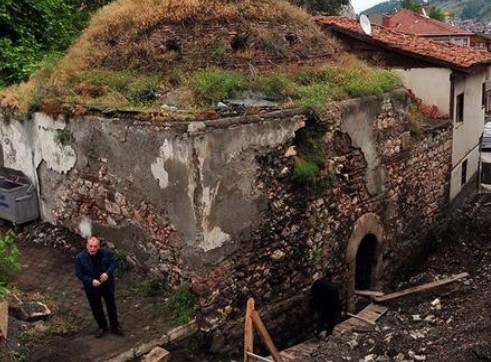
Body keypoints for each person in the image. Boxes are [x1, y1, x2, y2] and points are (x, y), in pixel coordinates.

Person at [75, 236, 123, 338]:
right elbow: (79, 274)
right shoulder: (80, 257)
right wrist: (91, 281)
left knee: (111, 305)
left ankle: (115, 326)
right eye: (90, 246)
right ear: (87, 246)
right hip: (92, 286)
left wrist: (107, 273)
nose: (92, 249)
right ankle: (102, 326)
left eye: (95, 246)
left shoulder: (106, 253)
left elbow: (113, 263)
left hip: (106, 283)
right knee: (96, 307)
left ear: (99, 246)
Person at [310, 270, 342, 337]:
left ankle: (317, 331)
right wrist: (339, 309)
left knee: (322, 319)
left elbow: (313, 293)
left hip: (320, 305)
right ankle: (328, 335)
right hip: (331, 306)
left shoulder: (317, 283)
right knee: (331, 321)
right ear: (331, 277)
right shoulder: (333, 287)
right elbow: (336, 299)